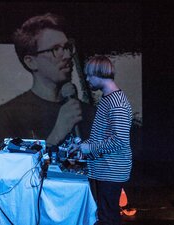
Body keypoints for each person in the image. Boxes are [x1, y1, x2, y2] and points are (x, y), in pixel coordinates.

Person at [0, 13, 95, 151]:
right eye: (55, 49)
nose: (67, 55)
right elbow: (11, 170)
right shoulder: (9, 115)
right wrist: (56, 135)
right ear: (31, 61)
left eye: (67, 47)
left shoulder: (90, 114)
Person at [76, 55, 133, 225]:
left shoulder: (117, 103)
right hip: (105, 169)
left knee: (109, 219)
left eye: (89, 75)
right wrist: (83, 145)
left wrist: (88, 149)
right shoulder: (107, 99)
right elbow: (102, 136)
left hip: (112, 170)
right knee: (104, 217)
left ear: (99, 73)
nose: (87, 79)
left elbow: (119, 141)